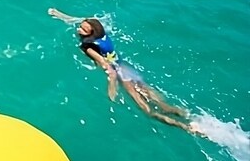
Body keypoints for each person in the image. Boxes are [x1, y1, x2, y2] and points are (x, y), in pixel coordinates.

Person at [48, 8, 196, 134]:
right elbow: (77, 19)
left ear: (90, 32)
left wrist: (111, 90)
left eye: (83, 29)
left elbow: (107, 67)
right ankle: (180, 112)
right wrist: (59, 14)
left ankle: (184, 126)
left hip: (120, 74)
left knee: (147, 110)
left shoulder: (89, 47)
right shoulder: (99, 32)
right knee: (152, 96)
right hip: (126, 67)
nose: (79, 28)